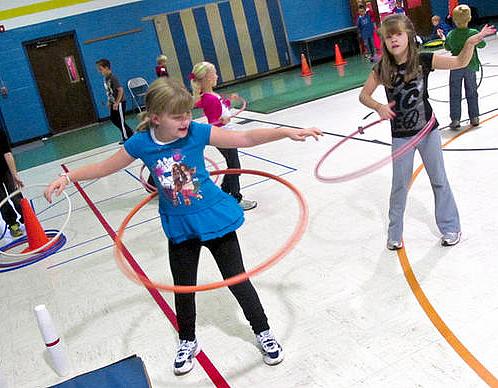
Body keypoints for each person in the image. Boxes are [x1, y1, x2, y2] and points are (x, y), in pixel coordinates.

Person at [44, 78, 322, 376]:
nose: (186, 120)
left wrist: (286, 132)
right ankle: (188, 340)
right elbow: (104, 167)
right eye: (178, 116)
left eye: (188, 113)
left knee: (237, 278)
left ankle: (262, 331)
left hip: (213, 216)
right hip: (179, 225)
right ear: (155, 118)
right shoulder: (141, 143)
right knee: (183, 286)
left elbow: (245, 138)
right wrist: (68, 177)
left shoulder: (197, 132)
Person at [358, 14, 495, 249]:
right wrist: (379, 106)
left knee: (439, 180)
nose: (394, 40)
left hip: (428, 131)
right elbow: (364, 95)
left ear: (408, 36)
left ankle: (451, 228)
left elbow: (459, 63)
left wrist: (471, 43)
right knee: (399, 186)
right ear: (385, 42)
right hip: (401, 136)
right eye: (389, 37)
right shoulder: (382, 68)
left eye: (398, 34)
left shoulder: (423, 60)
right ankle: (394, 234)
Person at [190, 61, 257, 211]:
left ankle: (225, 192)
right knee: (234, 166)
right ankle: (235, 198)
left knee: (233, 165)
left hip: (226, 134)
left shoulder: (210, 95)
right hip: (223, 136)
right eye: (214, 73)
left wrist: (229, 100)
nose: (217, 75)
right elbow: (213, 122)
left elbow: (221, 106)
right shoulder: (210, 98)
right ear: (207, 78)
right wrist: (221, 121)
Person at [444, 4, 487, 130]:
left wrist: (444, 38)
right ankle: (474, 117)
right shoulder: (473, 33)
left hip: (455, 66)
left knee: (454, 93)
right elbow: (482, 45)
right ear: (469, 18)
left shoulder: (451, 34)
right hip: (471, 66)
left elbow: (447, 47)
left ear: (454, 20)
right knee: (472, 92)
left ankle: (455, 119)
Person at [96, 59, 134, 144]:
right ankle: (130, 132)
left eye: (101, 69)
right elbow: (109, 91)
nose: (99, 71)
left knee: (120, 120)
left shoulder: (113, 77)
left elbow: (120, 90)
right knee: (114, 119)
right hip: (113, 102)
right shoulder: (105, 78)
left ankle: (126, 137)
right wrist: (110, 101)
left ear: (106, 68)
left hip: (119, 102)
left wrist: (117, 102)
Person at [0, 127, 24, 237]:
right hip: (6, 170)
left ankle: (27, 217)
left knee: (15, 195)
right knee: (2, 201)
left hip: (6, 170)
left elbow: (7, 154)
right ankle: (13, 224)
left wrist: (14, 175)